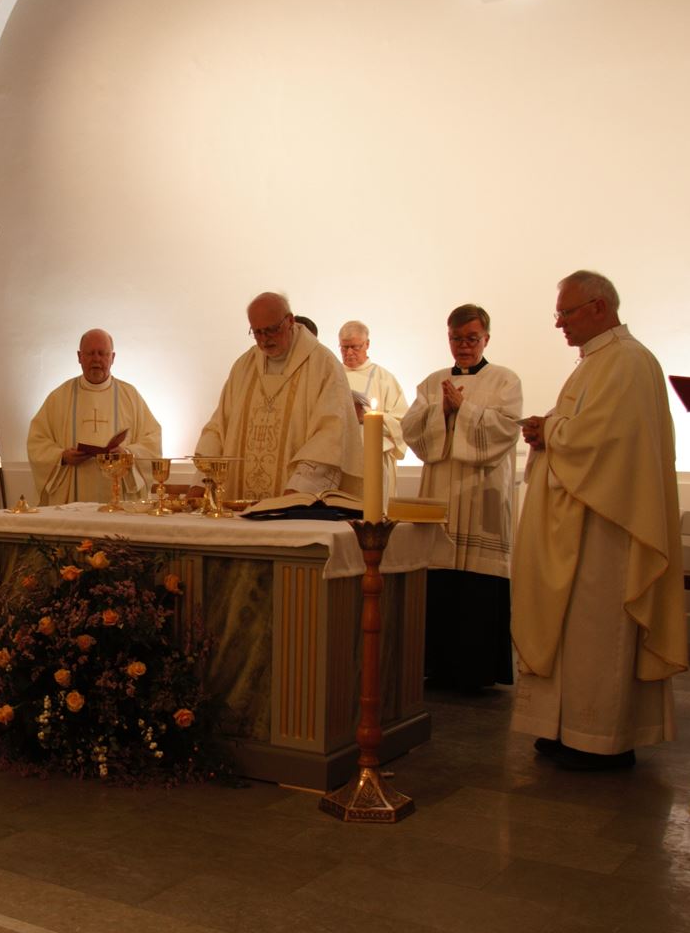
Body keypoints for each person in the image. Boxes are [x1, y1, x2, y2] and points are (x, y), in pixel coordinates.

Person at [509, 271, 687, 770]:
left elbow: (607, 441)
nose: (559, 322)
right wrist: (551, 428)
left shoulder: (628, 361)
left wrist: (553, 430)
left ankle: (601, 736)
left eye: (566, 312)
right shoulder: (597, 363)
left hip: (608, 526)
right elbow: (585, 429)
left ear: (599, 307)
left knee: (597, 631)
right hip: (581, 518)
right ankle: (565, 728)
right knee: (573, 629)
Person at [400, 304, 522, 690]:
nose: (463, 346)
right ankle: (436, 665)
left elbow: (506, 429)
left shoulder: (505, 380)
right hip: (441, 489)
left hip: (482, 493)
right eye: (456, 339)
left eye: (471, 339)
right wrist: (443, 413)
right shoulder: (433, 381)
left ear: (486, 338)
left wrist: (464, 410)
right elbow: (412, 429)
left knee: (477, 582)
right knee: (440, 578)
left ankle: (477, 670)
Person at [195, 291, 362, 500]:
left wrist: (298, 491)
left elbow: (331, 435)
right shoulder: (244, 367)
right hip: (237, 506)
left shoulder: (323, 365)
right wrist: (202, 478)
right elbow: (219, 425)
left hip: (294, 505)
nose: (265, 340)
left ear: (290, 321)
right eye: (257, 332)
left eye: (272, 330)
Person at [25, 328, 162, 505]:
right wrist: (62, 457)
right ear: (79, 357)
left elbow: (152, 440)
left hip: (118, 495)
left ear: (112, 358)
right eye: (90, 353)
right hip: (71, 499)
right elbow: (37, 441)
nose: (96, 359)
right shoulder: (59, 396)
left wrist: (127, 454)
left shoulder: (130, 396)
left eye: (102, 353)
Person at [337, 319, 408, 499]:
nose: (349, 353)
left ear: (367, 344)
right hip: (340, 459)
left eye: (355, 347)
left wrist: (367, 417)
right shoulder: (333, 376)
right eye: (344, 348)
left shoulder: (384, 378)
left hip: (374, 458)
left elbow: (403, 423)